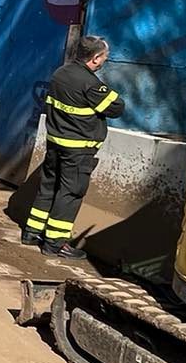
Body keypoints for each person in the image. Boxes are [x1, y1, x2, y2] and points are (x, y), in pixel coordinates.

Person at [23, 34, 124, 259]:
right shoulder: (90, 84)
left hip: (55, 144)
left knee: (48, 187)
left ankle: (31, 232)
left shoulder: (60, 73)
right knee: (70, 193)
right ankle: (55, 243)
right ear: (95, 58)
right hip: (78, 150)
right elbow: (117, 108)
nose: (104, 61)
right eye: (104, 57)